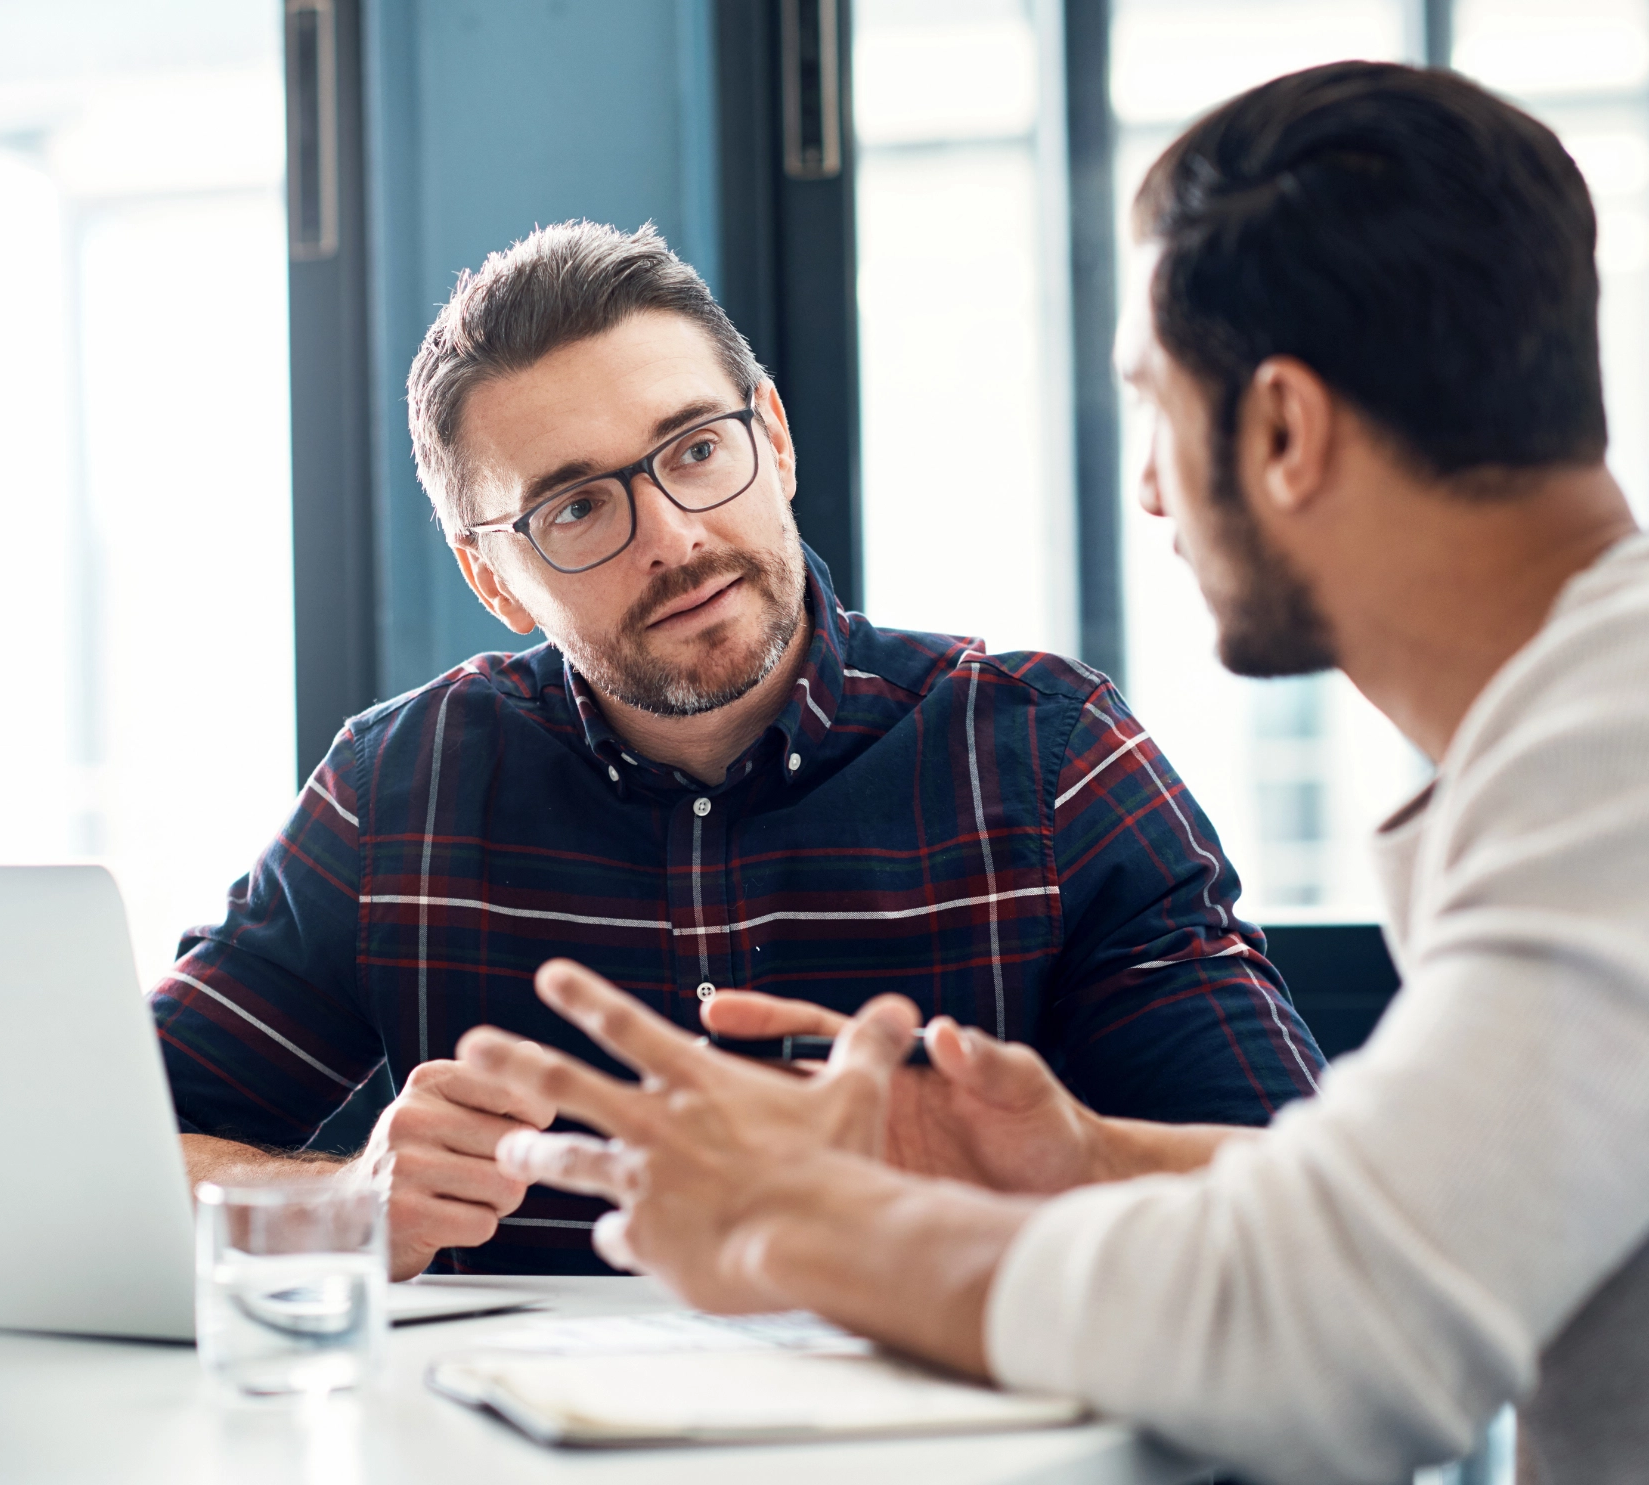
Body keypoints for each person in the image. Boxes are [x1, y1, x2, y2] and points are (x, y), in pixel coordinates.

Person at [450, 61, 1649, 1484]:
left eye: (1154, 404)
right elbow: (1429, 1209)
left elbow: (1339, 1339)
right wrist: (1082, 1157)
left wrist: (800, 1223)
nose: (1145, 488)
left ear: (1284, 432)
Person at [149, 221, 1323, 1280]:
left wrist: (1045, 1166)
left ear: (774, 437)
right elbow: (104, 1158)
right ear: (491, 577)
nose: (672, 533)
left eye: (698, 448)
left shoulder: (1049, 757)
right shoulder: (394, 792)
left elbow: (1298, 1207)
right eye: (576, 509)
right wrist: (339, 1205)